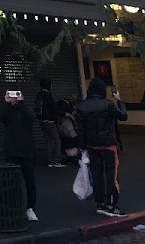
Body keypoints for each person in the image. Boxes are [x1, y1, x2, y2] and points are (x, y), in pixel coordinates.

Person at [76, 78, 128, 217]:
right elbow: (123, 116)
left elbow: (81, 130)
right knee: (112, 175)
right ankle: (111, 204)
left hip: (92, 145)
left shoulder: (82, 106)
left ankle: (100, 203)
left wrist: (82, 147)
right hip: (108, 144)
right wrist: (119, 100)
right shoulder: (108, 105)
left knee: (96, 174)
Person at [0, 91, 38, 222]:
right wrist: (6, 103)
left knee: (30, 182)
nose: (14, 98)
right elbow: (1, 118)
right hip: (12, 151)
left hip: (27, 151)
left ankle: (30, 208)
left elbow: (30, 119)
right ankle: (14, 207)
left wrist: (21, 103)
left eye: (16, 96)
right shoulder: (8, 111)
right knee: (10, 182)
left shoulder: (26, 110)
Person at [35, 78, 65, 168]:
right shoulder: (47, 95)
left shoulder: (39, 95)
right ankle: (56, 160)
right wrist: (64, 113)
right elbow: (54, 108)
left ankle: (50, 160)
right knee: (56, 140)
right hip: (49, 120)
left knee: (48, 140)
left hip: (41, 120)